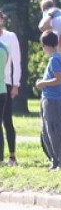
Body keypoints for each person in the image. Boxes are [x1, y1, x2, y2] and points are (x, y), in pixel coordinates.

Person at [36, 30, 61, 169]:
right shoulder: (57, 58)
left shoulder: (55, 59)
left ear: (44, 45)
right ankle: (55, 160)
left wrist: (43, 83)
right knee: (46, 132)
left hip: (54, 100)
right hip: (47, 98)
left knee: (55, 131)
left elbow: (59, 80)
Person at [0, 10, 21, 166]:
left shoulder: (10, 37)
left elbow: (16, 62)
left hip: (6, 82)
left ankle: (12, 155)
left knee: (7, 120)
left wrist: (16, 83)